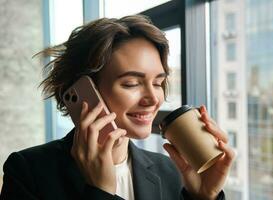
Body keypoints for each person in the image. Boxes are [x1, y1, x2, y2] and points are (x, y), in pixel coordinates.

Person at [0, 15, 235, 200]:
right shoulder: (28, 171)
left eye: (158, 82)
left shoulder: (171, 171)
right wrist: (100, 192)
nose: (153, 98)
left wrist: (204, 197)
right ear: (84, 90)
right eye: (131, 83)